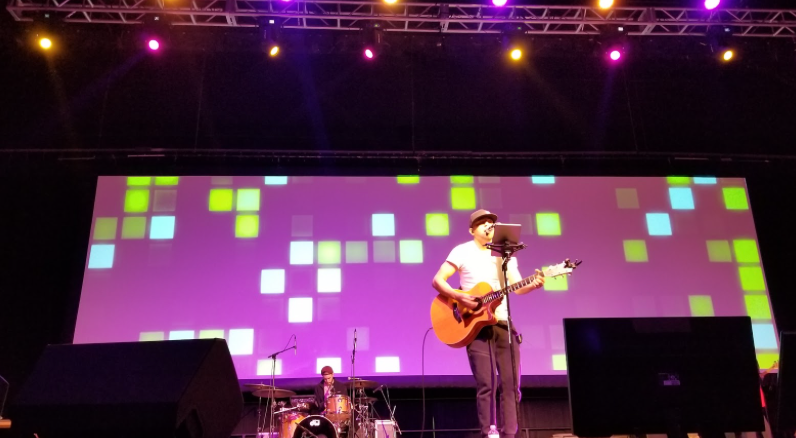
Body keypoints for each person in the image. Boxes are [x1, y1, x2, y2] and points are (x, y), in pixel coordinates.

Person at [432, 209, 545, 438]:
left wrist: (534, 283)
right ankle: (488, 433)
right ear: (472, 230)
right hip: (477, 327)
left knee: (511, 385)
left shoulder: (505, 255)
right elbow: (438, 280)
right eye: (482, 223)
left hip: (503, 323)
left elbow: (518, 286)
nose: (488, 226)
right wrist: (460, 296)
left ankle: (510, 434)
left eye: (491, 222)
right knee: (487, 384)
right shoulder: (462, 251)